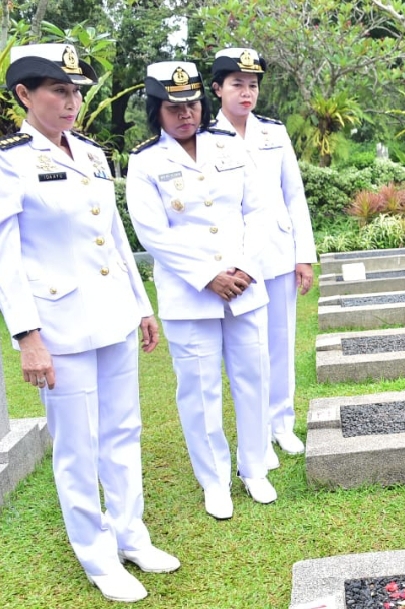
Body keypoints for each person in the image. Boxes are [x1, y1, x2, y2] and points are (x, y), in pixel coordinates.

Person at [0, 44, 179, 603]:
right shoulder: (10, 159)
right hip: (60, 325)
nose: (71, 101)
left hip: (114, 314)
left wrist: (141, 305)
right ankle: (96, 555)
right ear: (24, 94)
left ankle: (130, 535)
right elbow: (6, 255)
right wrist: (27, 336)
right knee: (77, 446)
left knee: (123, 431)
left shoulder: (92, 153)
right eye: (58, 90)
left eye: (75, 91)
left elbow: (116, 236)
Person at [125, 61, 275, 520]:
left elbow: (259, 211)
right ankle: (214, 479)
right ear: (156, 110)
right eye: (173, 107)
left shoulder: (229, 144)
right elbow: (153, 233)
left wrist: (244, 267)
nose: (185, 114)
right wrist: (209, 275)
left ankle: (255, 468)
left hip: (244, 287)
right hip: (190, 295)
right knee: (199, 390)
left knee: (254, 379)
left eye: (191, 104)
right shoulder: (145, 161)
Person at [210, 47, 317, 468]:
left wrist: (303, 255)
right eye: (237, 84)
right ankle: (256, 432)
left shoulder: (274, 132)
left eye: (252, 85)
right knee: (248, 352)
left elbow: (294, 195)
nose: (246, 92)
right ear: (217, 88)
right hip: (237, 263)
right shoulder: (205, 138)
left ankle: (282, 423)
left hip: (278, 250)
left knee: (281, 342)